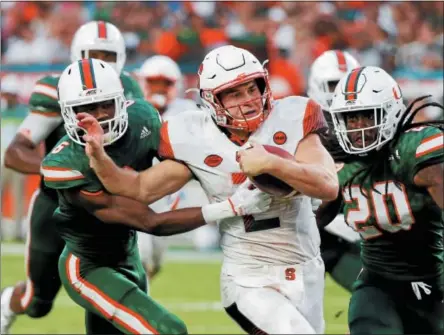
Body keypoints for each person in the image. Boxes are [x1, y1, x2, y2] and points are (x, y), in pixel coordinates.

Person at [81, 45, 339, 334]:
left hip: (306, 267)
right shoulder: (196, 136)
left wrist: (273, 163)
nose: (249, 101)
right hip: (248, 275)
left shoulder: (293, 115)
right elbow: (139, 188)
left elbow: (328, 185)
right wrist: (99, 158)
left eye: (252, 89)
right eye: (235, 94)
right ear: (212, 100)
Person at [40, 58, 271, 334]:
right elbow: (152, 222)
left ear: (122, 101)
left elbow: (186, 162)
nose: (100, 116)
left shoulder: (143, 120)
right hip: (89, 267)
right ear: (68, 113)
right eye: (87, 108)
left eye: (106, 104)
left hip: (129, 256)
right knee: (168, 330)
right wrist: (230, 207)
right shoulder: (66, 164)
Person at [0, 20, 144, 334]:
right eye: (93, 54)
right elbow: (15, 152)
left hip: (104, 210)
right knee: (37, 303)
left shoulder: (131, 88)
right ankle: (7, 302)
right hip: (57, 205)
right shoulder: (59, 88)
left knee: (107, 303)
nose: (100, 62)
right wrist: (64, 172)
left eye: (106, 55)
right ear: (77, 53)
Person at [318, 66, 444, 334]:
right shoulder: (338, 163)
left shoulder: (414, 149)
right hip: (379, 283)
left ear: (391, 111)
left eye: (365, 116)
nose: (357, 127)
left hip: (436, 280)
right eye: (350, 119)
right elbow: (310, 222)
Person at [136, 55, 217, 280]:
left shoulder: (189, 112)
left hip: (170, 190)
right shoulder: (133, 109)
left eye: (165, 83)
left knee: (156, 255)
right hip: (136, 187)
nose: (158, 89)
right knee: (140, 252)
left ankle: (145, 281)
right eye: (153, 83)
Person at [307, 49, 363, 292]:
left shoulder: (370, 119)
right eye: (335, 84)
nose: (342, 91)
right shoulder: (303, 125)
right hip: (324, 231)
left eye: (348, 84)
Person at [0, 75, 28, 240]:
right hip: (2, 161)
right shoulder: (2, 112)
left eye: (11, 93)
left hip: (18, 162)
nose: (8, 96)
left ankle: (17, 232)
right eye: (6, 93)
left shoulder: (24, 113)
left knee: (18, 197)